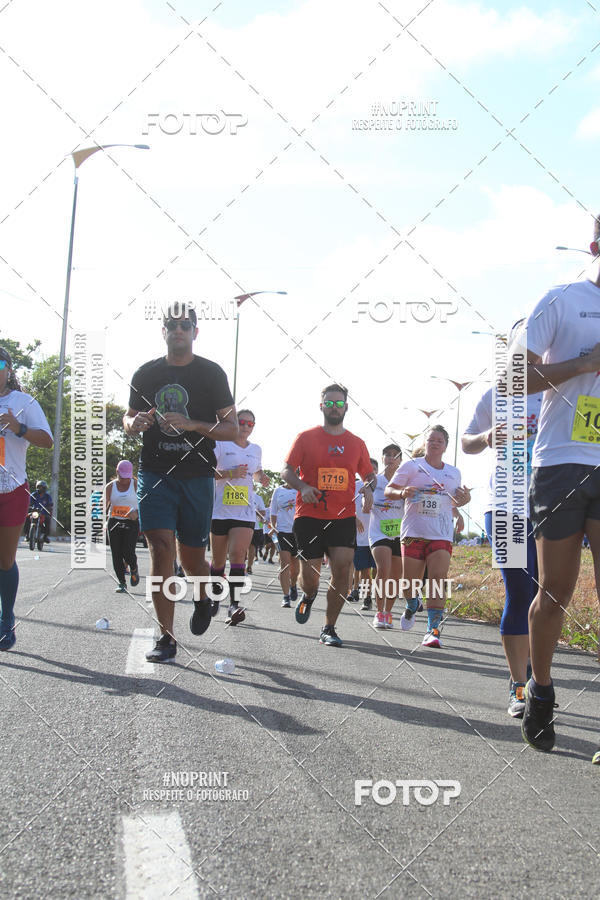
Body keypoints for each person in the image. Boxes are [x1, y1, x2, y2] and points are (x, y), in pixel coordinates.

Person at [513, 219, 600, 756]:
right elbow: (514, 378)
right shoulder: (562, 299)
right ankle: (540, 689)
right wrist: (584, 365)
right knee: (555, 594)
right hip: (563, 460)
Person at [123, 304, 238, 662]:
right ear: (163, 331)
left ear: (195, 331)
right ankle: (166, 638)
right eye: (171, 325)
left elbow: (232, 429)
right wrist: (135, 423)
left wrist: (193, 425)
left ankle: (203, 598)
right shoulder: (145, 373)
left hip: (197, 475)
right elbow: (127, 418)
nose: (178, 330)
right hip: (155, 472)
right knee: (160, 549)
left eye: (184, 325)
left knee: (192, 558)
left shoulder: (211, 374)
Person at [462, 324, 543, 717]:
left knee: (548, 594)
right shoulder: (495, 395)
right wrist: (489, 436)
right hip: (507, 502)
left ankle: (536, 673)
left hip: (552, 503)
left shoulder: (559, 393)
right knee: (520, 588)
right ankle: (518, 686)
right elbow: (466, 440)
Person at [281, 384, 375, 647]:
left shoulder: (357, 443)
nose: (334, 407)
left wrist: (368, 487)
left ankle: (329, 627)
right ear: (321, 406)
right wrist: (302, 486)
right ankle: (308, 596)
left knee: (343, 570)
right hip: (309, 515)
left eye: (339, 403)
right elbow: (286, 471)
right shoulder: (305, 438)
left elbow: (368, 474)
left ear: (346, 406)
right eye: (329, 403)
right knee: (310, 578)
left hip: (343, 516)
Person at [385, 425, 470, 647]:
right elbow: (389, 490)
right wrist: (402, 492)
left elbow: (454, 499)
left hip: (441, 533)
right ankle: (412, 604)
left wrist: (464, 501)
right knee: (409, 584)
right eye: (431, 440)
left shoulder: (453, 472)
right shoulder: (412, 466)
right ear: (425, 443)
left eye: (439, 440)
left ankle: (432, 631)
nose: (434, 443)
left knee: (437, 581)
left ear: (446, 446)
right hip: (414, 531)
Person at [0, 347, 53, 650]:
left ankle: (7, 620)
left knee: (5, 560)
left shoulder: (23, 402)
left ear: (9, 369)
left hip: (12, 489)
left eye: (0, 363)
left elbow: (47, 440)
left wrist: (17, 427)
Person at [211, 410, 270, 625]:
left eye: (250, 424)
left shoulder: (256, 449)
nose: (246, 426)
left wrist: (261, 477)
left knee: (237, 554)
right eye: (242, 422)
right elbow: (208, 471)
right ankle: (216, 596)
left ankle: (234, 605)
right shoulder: (220, 444)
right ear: (234, 423)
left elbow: (256, 472)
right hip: (220, 510)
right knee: (218, 560)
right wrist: (229, 474)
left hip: (244, 511)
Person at [370, 446, 405, 629]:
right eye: (388, 455)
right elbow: (365, 497)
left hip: (399, 533)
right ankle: (379, 611)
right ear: (383, 459)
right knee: (383, 568)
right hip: (378, 532)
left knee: (395, 576)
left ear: (400, 461)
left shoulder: (404, 481)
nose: (391, 458)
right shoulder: (375, 481)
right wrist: (365, 502)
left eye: (395, 456)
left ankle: (388, 613)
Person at [104, 460, 140, 593]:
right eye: (122, 476)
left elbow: (147, 502)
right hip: (114, 522)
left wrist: (138, 513)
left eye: (127, 477)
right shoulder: (110, 487)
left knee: (128, 551)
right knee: (116, 554)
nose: (125, 480)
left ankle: (134, 568)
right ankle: (121, 582)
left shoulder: (136, 485)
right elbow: (103, 506)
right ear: (117, 472)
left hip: (131, 522)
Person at [348, 459, 378, 606]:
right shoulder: (354, 486)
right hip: (361, 536)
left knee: (377, 570)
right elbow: (345, 506)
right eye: (367, 469)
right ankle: (367, 597)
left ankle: (375, 594)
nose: (369, 472)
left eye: (373, 470)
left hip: (379, 535)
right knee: (365, 571)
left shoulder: (382, 486)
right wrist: (355, 519)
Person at [270, 481, 299, 607]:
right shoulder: (278, 491)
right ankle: (285, 596)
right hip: (282, 531)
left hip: (298, 533)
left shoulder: (300, 489)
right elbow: (273, 510)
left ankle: (293, 585)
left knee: (296, 569)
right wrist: (274, 526)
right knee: (285, 564)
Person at [247, 491, 266, 574]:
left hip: (255, 526)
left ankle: (249, 566)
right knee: (240, 547)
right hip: (240, 524)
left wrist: (253, 511)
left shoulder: (257, 497)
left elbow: (263, 512)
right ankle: (240, 567)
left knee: (251, 547)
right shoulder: (237, 493)